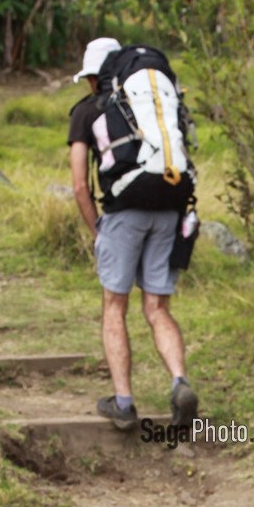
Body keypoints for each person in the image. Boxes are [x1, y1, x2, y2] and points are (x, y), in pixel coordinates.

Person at [68, 37, 198, 432]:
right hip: (169, 204)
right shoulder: (156, 102)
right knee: (157, 308)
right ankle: (179, 382)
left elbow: (78, 185)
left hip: (124, 211)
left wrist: (97, 230)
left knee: (114, 306)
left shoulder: (89, 109)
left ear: (95, 76)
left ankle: (123, 403)